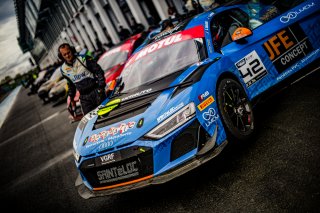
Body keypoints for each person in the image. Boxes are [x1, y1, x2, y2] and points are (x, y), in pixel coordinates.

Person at [58, 43, 106, 115]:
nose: (67, 56)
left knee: (105, 114)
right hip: (84, 97)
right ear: (61, 56)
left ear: (72, 50)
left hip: (96, 91)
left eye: (68, 52)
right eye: (64, 55)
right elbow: (71, 84)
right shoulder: (63, 69)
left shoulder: (84, 58)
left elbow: (99, 71)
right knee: (88, 121)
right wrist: (71, 98)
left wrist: (101, 87)